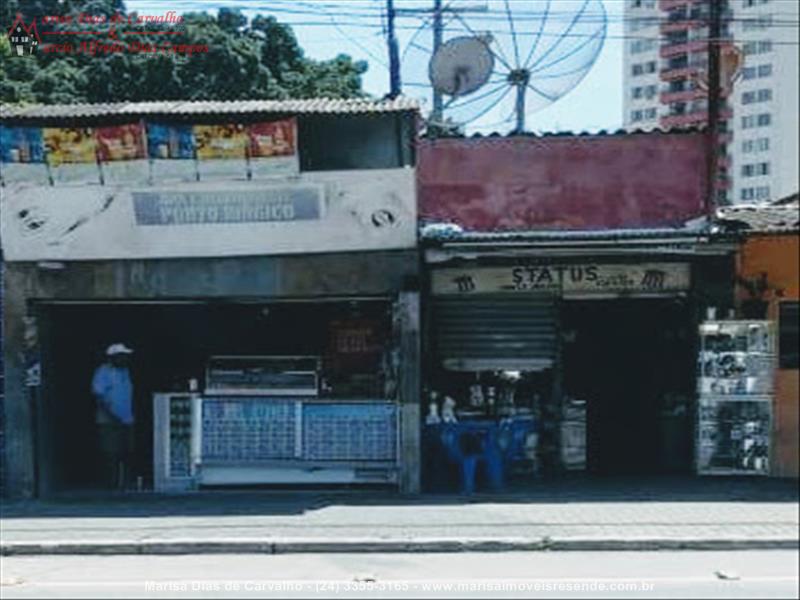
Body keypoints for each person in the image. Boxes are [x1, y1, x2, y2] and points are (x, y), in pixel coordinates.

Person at [91, 343, 135, 490]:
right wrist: (112, 416)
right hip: (109, 420)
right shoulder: (103, 372)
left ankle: (124, 483)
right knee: (111, 453)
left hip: (127, 419)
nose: (125, 359)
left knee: (127, 451)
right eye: (122, 356)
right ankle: (110, 485)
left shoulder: (125, 372)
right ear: (113, 358)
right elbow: (99, 398)